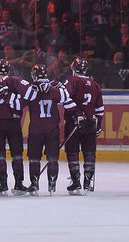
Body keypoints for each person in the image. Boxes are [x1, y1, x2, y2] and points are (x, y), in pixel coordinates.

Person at [21, 64, 76, 195]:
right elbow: (67, 100)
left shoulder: (31, 90)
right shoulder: (53, 89)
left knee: (34, 158)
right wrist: (78, 115)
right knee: (52, 158)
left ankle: (34, 184)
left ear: (34, 75)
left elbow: (19, 104)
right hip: (52, 129)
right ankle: (52, 185)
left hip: (35, 129)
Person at [0, 59, 31, 196]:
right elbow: (29, 94)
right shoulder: (16, 81)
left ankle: (3, 184)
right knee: (17, 154)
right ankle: (18, 184)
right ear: (9, 69)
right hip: (13, 122)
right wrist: (18, 103)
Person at [62, 57, 104, 195]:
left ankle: (75, 181)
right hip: (90, 124)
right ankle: (88, 180)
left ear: (74, 68)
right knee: (89, 152)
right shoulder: (95, 85)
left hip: (74, 123)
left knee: (72, 151)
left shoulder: (71, 81)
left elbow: (65, 98)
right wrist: (99, 125)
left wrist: (77, 113)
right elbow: (99, 109)